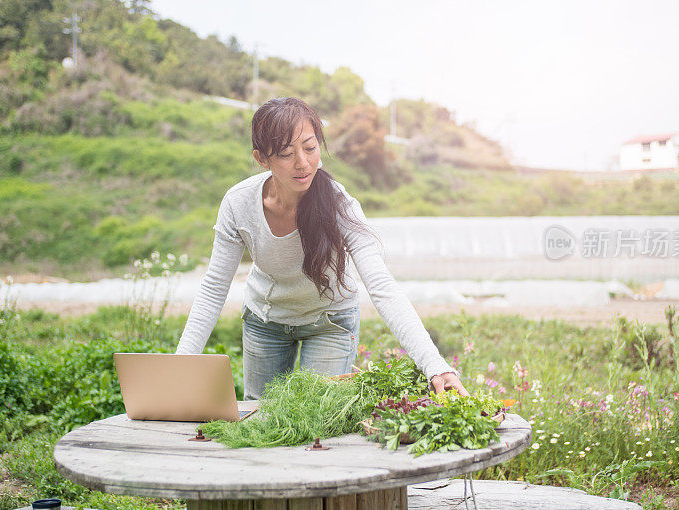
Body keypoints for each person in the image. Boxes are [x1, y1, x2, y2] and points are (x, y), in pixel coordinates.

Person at [176, 96, 467, 400]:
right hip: (266, 320)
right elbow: (214, 287)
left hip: (330, 322)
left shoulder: (339, 205)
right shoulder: (239, 204)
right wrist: (181, 365)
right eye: (287, 153)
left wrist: (435, 366)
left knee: (315, 415)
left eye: (310, 148)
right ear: (263, 159)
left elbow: (381, 286)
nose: (302, 163)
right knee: (259, 418)